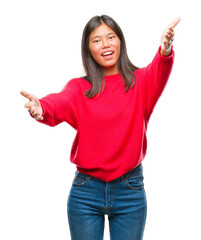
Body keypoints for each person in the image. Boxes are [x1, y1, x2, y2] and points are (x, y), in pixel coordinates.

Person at [20, 15, 181, 240]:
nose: (105, 44)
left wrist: (165, 48)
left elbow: (160, 68)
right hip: (86, 191)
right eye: (96, 40)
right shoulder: (79, 88)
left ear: (120, 42)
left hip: (130, 191)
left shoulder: (141, 83)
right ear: (88, 49)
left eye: (111, 37)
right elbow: (58, 102)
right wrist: (41, 107)